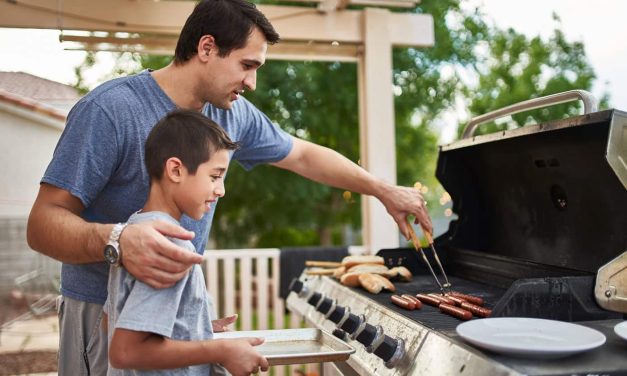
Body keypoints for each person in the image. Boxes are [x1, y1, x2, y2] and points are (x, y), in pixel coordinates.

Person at [26, 0, 432, 374]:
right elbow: (42, 224)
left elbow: (303, 156)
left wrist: (383, 190)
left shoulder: (232, 115)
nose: (252, 82)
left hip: (169, 320)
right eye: (247, 65)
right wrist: (120, 240)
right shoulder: (111, 110)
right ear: (206, 48)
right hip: (101, 314)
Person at [105, 109, 267, 375]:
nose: (221, 190)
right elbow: (126, 351)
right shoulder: (170, 245)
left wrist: (195, 327)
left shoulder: (134, 229)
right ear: (176, 170)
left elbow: (111, 322)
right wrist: (221, 350)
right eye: (215, 176)